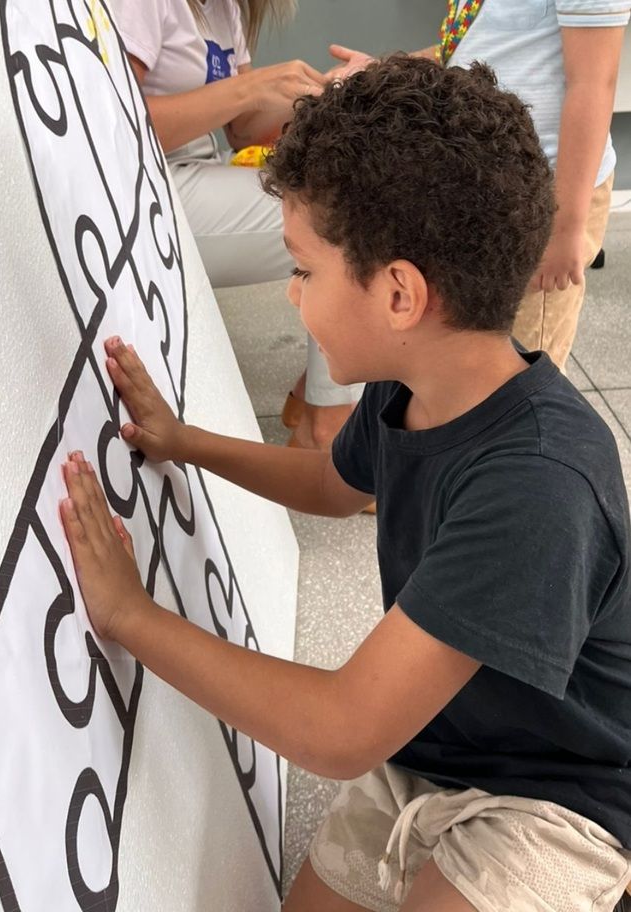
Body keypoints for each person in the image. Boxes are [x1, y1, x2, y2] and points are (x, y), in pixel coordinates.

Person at [60, 57, 631, 910]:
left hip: (562, 797)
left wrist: (129, 616)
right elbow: (335, 482)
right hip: (431, 752)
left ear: (400, 294)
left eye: (305, 270)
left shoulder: (539, 487)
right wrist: (186, 443)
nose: (294, 298)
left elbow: (338, 730)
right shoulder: (417, 386)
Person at [108, 0, 363, 449]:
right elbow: (113, 124)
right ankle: (326, 428)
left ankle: (319, 399)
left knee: (354, 194)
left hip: (193, 173)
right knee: (347, 218)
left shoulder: (225, 7)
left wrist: (328, 92)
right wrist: (250, 88)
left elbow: (244, 129)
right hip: (140, 188)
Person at [329, 0, 629, 372]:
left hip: (540, 197)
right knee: (465, 348)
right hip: (478, 176)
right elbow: (478, 45)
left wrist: (565, 229)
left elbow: (594, 83)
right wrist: (388, 70)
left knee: (519, 358)